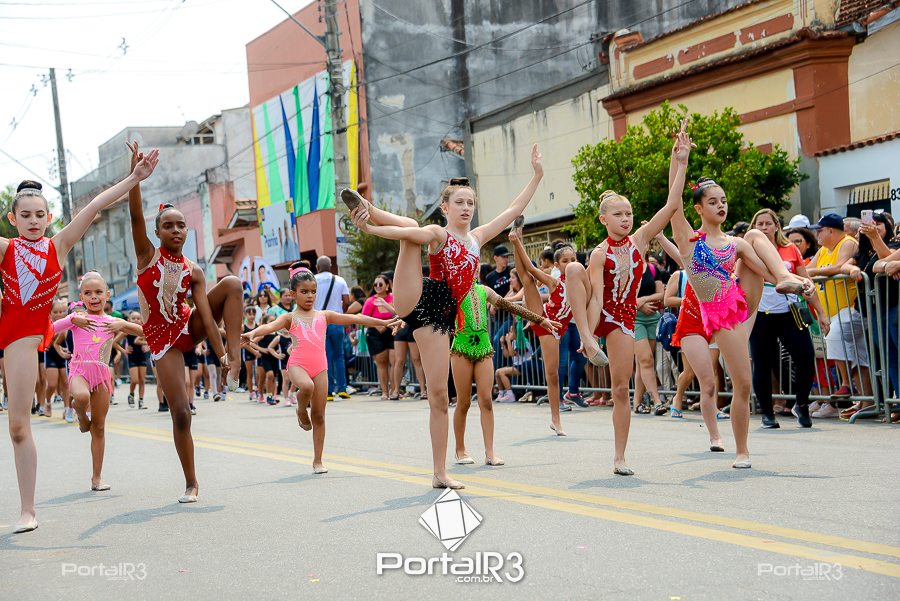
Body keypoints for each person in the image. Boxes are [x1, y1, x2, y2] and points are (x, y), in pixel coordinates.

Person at [344, 143, 544, 489]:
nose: (466, 208)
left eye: (470, 203)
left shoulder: (477, 239)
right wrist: (371, 229)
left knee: (439, 396)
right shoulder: (440, 233)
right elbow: (410, 235)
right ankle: (368, 210)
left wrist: (537, 175)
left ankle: (439, 473)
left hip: (440, 317)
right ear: (445, 207)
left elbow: (513, 209)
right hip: (419, 297)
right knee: (411, 227)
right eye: (459, 203)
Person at [1, 151, 158, 533]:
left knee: (18, 427)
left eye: (40, 215)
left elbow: (96, 204)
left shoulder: (59, 245)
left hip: (26, 339)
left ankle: (28, 511)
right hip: (11, 332)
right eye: (26, 215)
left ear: (49, 217)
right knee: (17, 425)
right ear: (12, 219)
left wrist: (135, 177)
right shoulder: (6, 249)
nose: (33, 221)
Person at [564, 124, 692, 474]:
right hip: (599, 308)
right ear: (603, 219)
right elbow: (596, 297)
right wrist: (590, 334)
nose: (625, 219)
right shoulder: (599, 253)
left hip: (624, 316)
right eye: (618, 214)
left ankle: (619, 457)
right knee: (572, 269)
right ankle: (586, 339)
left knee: (620, 388)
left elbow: (672, 205)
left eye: (628, 214)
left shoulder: (640, 240)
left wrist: (680, 162)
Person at [669, 172, 811, 469]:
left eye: (723, 201)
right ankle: (737, 449)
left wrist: (797, 282)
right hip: (717, 313)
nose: (721, 206)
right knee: (740, 383)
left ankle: (742, 451)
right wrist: (679, 161)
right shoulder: (689, 240)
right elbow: (674, 201)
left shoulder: (734, 242)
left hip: (741, 303)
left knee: (755, 235)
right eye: (713, 202)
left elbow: (764, 272)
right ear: (699, 208)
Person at [126, 140, 241, 504]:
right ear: (158, 232)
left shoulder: (194, 270)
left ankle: (236, 362)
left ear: (186, 232)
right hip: (162, 341)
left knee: (232, 284)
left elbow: (205, 314)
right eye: (168, 226)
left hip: (189, 327)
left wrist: (223, 356)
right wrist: (135, 177)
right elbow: (135, 217)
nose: (176, 230)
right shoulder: (147, 256)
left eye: (181, 226)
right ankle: (191, 482)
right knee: (181, 414)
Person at [243, 268, 399, 473]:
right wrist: (253, 333)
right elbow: (269, 327)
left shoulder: (324, 315)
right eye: (304, 292)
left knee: (319, 416)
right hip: (297, 365)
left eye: (313, 291)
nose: (310, 296)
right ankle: (300, 409)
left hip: (320, 367)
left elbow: (356, 318)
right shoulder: (289, 318)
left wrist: (385, 322)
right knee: (306, 386)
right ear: (293, 294)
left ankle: (318, 461)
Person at [52, 272, 144, 491]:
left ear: (107, 295)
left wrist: (123, 325)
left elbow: (144, 331)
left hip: (102, 376)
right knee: (81, 396)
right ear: (81, 297)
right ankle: (81, 414)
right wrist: (71, 319)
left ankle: (97, 478)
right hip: (79, 370)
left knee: (99, 428)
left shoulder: (113, 321)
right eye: (88, 293)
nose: (94, 297)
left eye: (98, 292)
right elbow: (51, 329)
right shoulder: (77, 319)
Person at [452, 282, 558, 466]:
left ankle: (490, 453)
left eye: (476, 268)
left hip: (483, 349)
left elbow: (508, 306)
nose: (474, 270)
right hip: (461, 349)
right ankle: (460, 450)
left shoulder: (484, 290)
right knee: (464, 402)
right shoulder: (454, 289)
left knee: (486, 401)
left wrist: (539, 319)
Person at [748, 209, 829, 429]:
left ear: (777, 226)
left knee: (805, 357)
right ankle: (767, 413)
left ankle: (801, 405)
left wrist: (821, 312)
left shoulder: (790, 248)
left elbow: (806, 281)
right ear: (753, 228)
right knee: (762, 364)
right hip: (761, 315)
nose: (764, 227)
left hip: (789, 312)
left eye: (768, 223)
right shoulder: (748, 251)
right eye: (759, 224)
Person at [507, 225, 578, 434]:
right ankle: (556, 419)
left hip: (559, 327)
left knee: (554, 374)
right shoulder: (555, 282)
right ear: (557, 265)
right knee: (552, 374)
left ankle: (516, 238)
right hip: (544, 320)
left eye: (573, 260)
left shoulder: (580, 283)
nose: (570, 264)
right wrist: (519, 244)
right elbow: (530, 269)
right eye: (565, 261)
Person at [805, 213, 863, 418]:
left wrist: (813, 273)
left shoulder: (847, 242)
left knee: (835, 337)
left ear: (831, 230)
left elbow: (839, 267)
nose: (817, 235)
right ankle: (865, 400)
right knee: (860, 357)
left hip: (850, 307)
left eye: (819, 230)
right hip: (833, 311)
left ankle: (847, 384)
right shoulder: (823, 250)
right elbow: (805, 269)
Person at [314, 256, 351, 400]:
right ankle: (342, 388)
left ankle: (328, 391)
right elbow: (347, 301)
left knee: (325, 356)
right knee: (339, 355)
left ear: (317, 267)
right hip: (336, 320)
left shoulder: (313, 280)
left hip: (319, 321)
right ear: (331, 266)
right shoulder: (340, 280)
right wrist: (341, 312)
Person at [362, 274, 399, 400]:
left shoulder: (393, 297)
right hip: (375, 334)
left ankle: (395, 390)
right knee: (382, 363)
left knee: (394, 361)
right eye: (375, 284)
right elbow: (364, 319)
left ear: (387, 286)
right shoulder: (370, 301)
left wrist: (392, 324)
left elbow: (399, 313)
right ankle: (384, 392)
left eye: (380, 284)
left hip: (392, 332)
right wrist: (377, 325)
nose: (377, 286)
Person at [44, 299, 71, 421]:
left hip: (64, 357)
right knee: (52, 384)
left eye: (61, 311)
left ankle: (67, 408)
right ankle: (48, 402)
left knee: (66, 383)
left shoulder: (67, 324)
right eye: (55, 312)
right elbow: (47, 342)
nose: (59, 314)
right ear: (50, 313)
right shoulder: (47, 325)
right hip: (51, 356)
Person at [125, 311, 150, 409]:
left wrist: (147, 346)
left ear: (142, 320)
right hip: (132, 357)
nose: (136, 320)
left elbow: (151, 341)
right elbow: (114, 342)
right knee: (134, 380)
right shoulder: (127, 331)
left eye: (138, 318)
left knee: (142, 380)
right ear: (129, 320)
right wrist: (124, 350)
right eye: (133, 318)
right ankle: (131, 394)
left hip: (142, 356)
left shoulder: (144, 330)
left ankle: (141, 401)